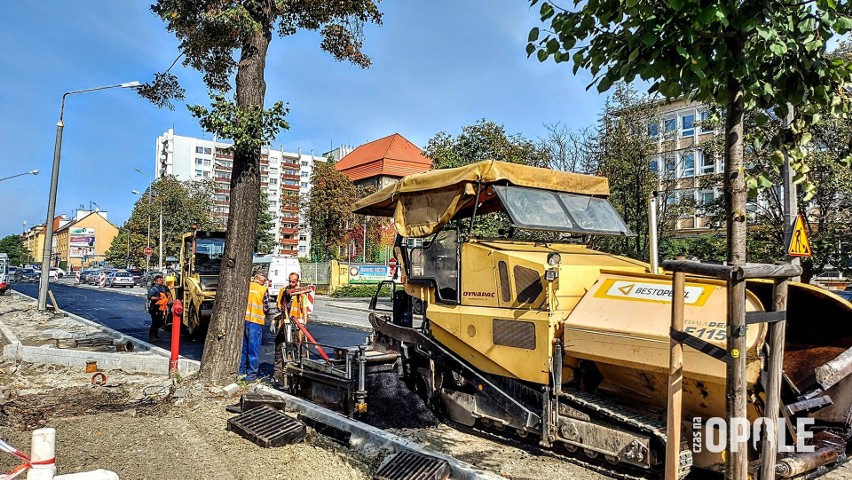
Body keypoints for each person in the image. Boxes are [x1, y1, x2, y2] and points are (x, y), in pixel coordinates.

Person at [240, 271, 279, 381]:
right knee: (253, 349)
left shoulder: (247, 286)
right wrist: (272, 317)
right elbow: (266, 307)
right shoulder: (263, 290)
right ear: (262, 280)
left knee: (244, 348)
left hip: (245, 320)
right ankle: (251, 374)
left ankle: (241, 372)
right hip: (256, 322)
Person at [273, 272, 308, 382]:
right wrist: (275, 321)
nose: (291, 283)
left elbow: (304, 310)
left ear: (297, 281)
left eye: (293, 281)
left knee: (294, 349)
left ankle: (292, 374)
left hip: (295, 326)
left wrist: (304, 322)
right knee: (279, 349)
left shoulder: (301, 293)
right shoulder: (283, 291)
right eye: (289, 281)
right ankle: (277, 374)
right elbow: (278, 307)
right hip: (283, 324)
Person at [146, 274, 170, 343]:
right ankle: (152, 336)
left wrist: (176, 287)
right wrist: (159, 298)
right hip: (155, 308)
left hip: (162, 308)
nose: (162, 281)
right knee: (155, 322)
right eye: (160, 280)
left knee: (161, 322)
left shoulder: (163, 287)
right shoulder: (154, 289)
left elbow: (168, 288)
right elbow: (150, 297)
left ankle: (155, 334)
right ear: (156, 281)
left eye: (162, 279)